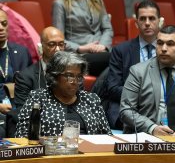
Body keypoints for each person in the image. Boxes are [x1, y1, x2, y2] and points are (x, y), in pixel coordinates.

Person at [120, 25, 175, 136]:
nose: (164, 48)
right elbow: (126, 110)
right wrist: (152, 128)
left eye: (170, 44)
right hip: (147, 137)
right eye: (160, 43)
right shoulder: (138, 71)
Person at [15, 51, 112, 137]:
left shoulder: (91, 99)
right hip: (52, 153)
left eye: (78, 77)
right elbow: (22, 134)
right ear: (54, 76)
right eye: (69, 76)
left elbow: (107, 135)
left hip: (89, 154)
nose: (74, 81)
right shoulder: (38, 98)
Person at [106, 0, 161, 129]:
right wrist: (145, 95)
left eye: (152, 18)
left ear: (160, 21)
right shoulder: (121, 51)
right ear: (136, 22)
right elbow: (113, 88)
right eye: (142, 19)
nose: (147, 23)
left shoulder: (166, 49)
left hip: (160, 109)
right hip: (129, 110)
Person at [14, 27, 65, 113]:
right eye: (52, 44)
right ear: (41, 47)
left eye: (61, 44)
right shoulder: (25, 77)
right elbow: (22, 112)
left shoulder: (73, 74)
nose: (58, 49)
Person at [0, 8, 32, 137]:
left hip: (19, 108)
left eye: (4, 23)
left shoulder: (22, 51)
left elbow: (31, 84)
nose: (1, 28)